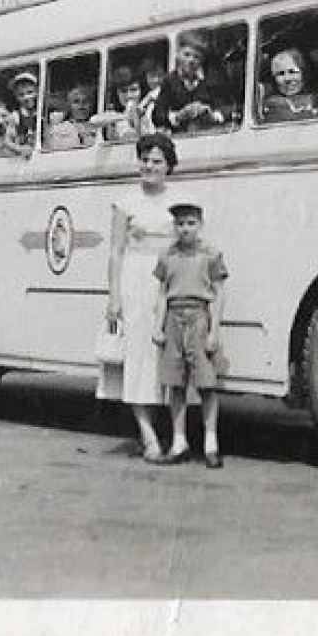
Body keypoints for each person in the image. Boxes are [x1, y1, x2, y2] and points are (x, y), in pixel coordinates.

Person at [97, 132, 179, 462]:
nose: (149, 166)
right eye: (144, 159)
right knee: (136, 358)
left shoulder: (181, 199)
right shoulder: (125, 202)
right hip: (135, 281)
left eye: (157, 161)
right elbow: (116, 252)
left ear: (169, 165)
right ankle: (148, 437)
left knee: (168, 358)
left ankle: (175, 436)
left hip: (169, 282)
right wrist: (114, 296)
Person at [152, 201, 229, 467]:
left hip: (199, 317)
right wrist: (158, 326)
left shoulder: (211, 254)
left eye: (191, 223)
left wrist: (214, 331)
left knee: (206, 385)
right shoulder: (168, 255)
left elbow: (219, 294)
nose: (185, 229)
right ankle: (179, 441)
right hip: (174, 317)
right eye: (180, 223)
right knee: (175, 384)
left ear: (200, 224)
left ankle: (210, 443)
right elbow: (162, 293)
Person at [153, 32, 234, 134]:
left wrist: (213, 115)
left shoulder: (212, 80)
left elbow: (230, 107)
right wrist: (179, 116)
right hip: (180, 137)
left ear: (202, 60)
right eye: (186, 55)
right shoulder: (169, 81)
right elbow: (157, 116)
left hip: (209, 135)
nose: (191, 60)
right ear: (178, 55)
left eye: (196, 57)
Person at [259, 47, 318, 123]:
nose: (287, 79)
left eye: (292, 72)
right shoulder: (272, 106)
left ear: (303, 73)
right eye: (280, 74)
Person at [92, 67, 144, 143]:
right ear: (117, 93)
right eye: (123, 91)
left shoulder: (148, 111)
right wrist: (125, 116)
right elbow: (94, 121)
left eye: (133, 90)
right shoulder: (115, 115)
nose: (129, 95)